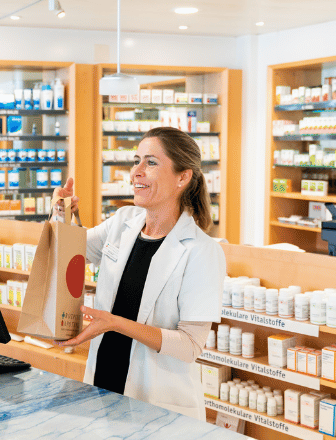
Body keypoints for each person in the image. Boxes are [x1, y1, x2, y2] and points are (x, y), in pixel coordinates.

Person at [54, 127, 225, 420]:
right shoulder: (122, 222)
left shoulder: (202, 251)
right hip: (104, 386)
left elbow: (189, 346)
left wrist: (115, 324)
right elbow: (71, 252)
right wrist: (62, 212)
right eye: (136, 161)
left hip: (158, 404)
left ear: (183, 177)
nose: (137, 172)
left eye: (151, 162)